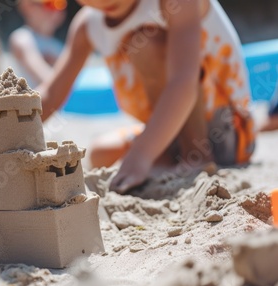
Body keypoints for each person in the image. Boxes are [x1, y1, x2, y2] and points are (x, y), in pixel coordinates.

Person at [38, 0, 255, 194]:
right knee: (101, 153)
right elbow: (51, 94)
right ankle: (167, 160)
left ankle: (195, 157)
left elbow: (183, 82)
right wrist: (13, 126)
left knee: (145, 44)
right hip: (170, 134)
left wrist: (141, 156)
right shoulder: (87, 26)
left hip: (227, 132)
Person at [9, 0, 66, 87]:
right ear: (27, 7)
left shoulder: (59, 45)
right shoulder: (22, 38)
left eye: (59, 4)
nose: (55, 11)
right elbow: (45, 79)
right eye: (50, 4)